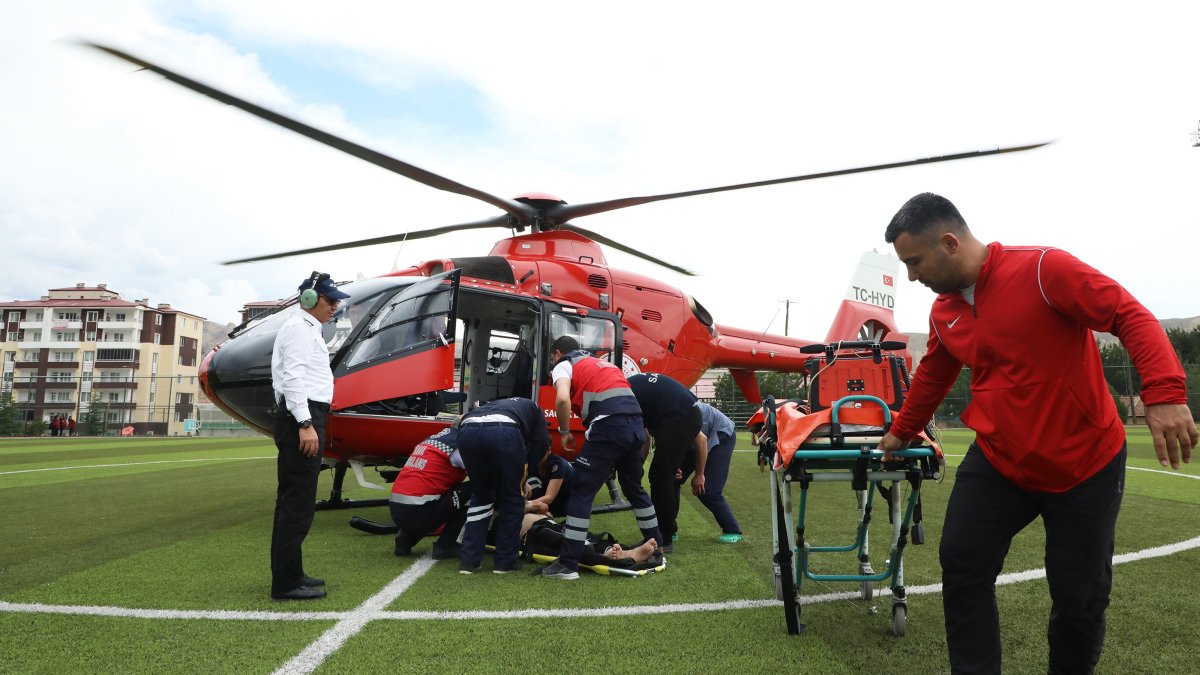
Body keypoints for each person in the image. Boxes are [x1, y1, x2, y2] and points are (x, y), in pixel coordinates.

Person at [877, 193, 1196, 673]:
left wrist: (1166, 392)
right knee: (962, 564)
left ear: (948, 242)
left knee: (1078, 598)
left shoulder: (1046, 270)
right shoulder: (945, 312)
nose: (912, 276)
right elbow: (935, 374)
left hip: (1084, 464)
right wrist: (900, 433)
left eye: (914, 262)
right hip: (1001, 461)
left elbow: (1129, 314)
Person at [536, 336, 663, 580]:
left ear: (557, 353)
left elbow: (562, 399)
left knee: (582, 491)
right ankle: (658, 542)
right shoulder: (602, 364)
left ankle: (568, 564)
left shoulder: (564, 363)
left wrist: (564, 433)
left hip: (609, 426)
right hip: (636, 425)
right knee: (634, 488)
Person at [268, 271, 350, 601]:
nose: (335, 306)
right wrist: (305, 423)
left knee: (296, 501)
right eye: (330, 301)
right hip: (301, 416)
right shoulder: (299, 330)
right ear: (309, 300)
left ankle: (292, 574)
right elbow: (294, 378)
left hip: (305, 414)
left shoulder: (306, 330)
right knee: (296, 503)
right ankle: (285, 584)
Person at [457, 396, 551, 575]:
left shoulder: (498, 405)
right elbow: (542, 443)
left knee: (481, 497)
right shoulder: (535, 409)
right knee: (512, 499)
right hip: (504, 431)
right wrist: (525, 475)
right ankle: (505, 562)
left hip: (467, 429)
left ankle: (469, 562)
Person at [627, 372, 707, 551]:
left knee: (660, 476)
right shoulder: (635, 392)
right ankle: (665, 532)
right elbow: (645, 437)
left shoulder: (623, 395)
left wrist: (700, 474)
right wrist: (639, 463)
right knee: (662, 474)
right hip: (678, 417)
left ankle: (664, 537)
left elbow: (701, 439)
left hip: (681, 418)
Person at [390, 427, 471, 561]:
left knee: (441, 490)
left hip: (397, 509)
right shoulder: (458, 445)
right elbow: (480, 472)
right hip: (420, 511)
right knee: (474, 488)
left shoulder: (431, 440)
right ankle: (446, 545)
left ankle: (406, 537)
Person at [679, 402, 743, 543]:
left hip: (721, 433)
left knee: (708, 490)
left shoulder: (683, 412)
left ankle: (732, 529)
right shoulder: (661, 414)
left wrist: (699, 474)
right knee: (672, 478)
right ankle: (667, 530)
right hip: (696, 437)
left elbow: (701, 441)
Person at [525, 449, 575, 517]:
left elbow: (549, 498)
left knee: (532, 481)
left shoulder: (558, 464)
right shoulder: (531, 461)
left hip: (566, 503)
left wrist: (529, 505)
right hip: (547, 501)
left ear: (549, 450)